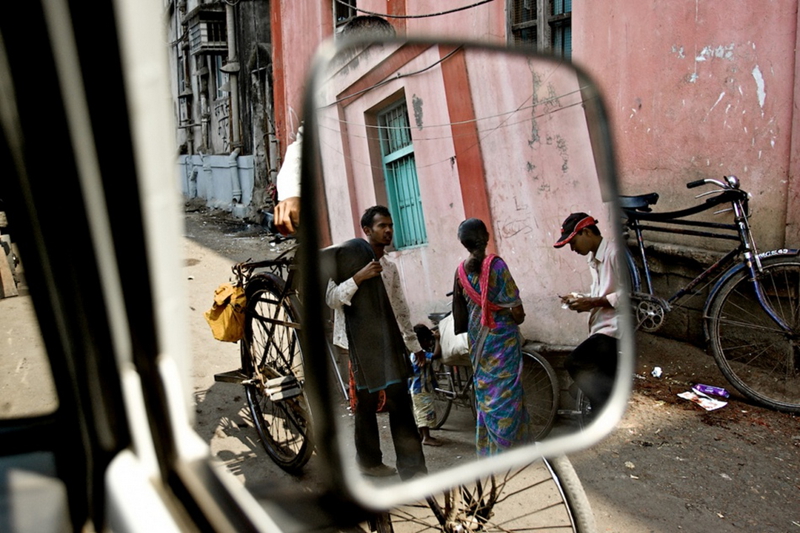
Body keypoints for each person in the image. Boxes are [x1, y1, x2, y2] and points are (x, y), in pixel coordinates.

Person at [323, 205, 428, 480]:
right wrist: (358, 277)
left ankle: (413, 468)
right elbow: (332, 298)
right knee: (366, 404)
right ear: (367, 231)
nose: (388, 230)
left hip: (388, 342)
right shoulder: (347, 260)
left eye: (390, 225)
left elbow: (400, 308)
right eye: (382, 226)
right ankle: (369, 461)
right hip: (358, 345)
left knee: (399, 401)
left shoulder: (389, 268)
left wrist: (413, 345)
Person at [451, 218, 529, 457]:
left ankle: (490, 450)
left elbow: (459, 313)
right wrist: (510, 314)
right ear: (486, 237)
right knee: (508, 394)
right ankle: (509, 448)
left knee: (487, 396)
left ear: (463, 243)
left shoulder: (460, 272)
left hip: (478, 345)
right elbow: (518, 312)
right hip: (502, 343)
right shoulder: (496, 266)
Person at [554, 212, 621, 414]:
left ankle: (607, 410)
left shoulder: (614, 253)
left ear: (586, 232)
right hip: (601, 328)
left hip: (615, 330)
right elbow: (601, 295)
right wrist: (580, 300)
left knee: (574, 362)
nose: (573, 249)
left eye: (573, 242)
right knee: (587, 386)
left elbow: (630, 293)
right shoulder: (594, 260)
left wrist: (592, 301)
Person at [410, 324, 443, 447]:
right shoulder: (420, 355)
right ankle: (426, 437)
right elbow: (436, 355)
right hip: (421, 390)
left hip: (417, 389)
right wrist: (438, 339)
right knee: (425, 412)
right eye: (428, 341)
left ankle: (422, 435)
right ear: (421, 341)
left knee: (420, 413)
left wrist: (435, 386)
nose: (430, 344)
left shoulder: (413, 354)